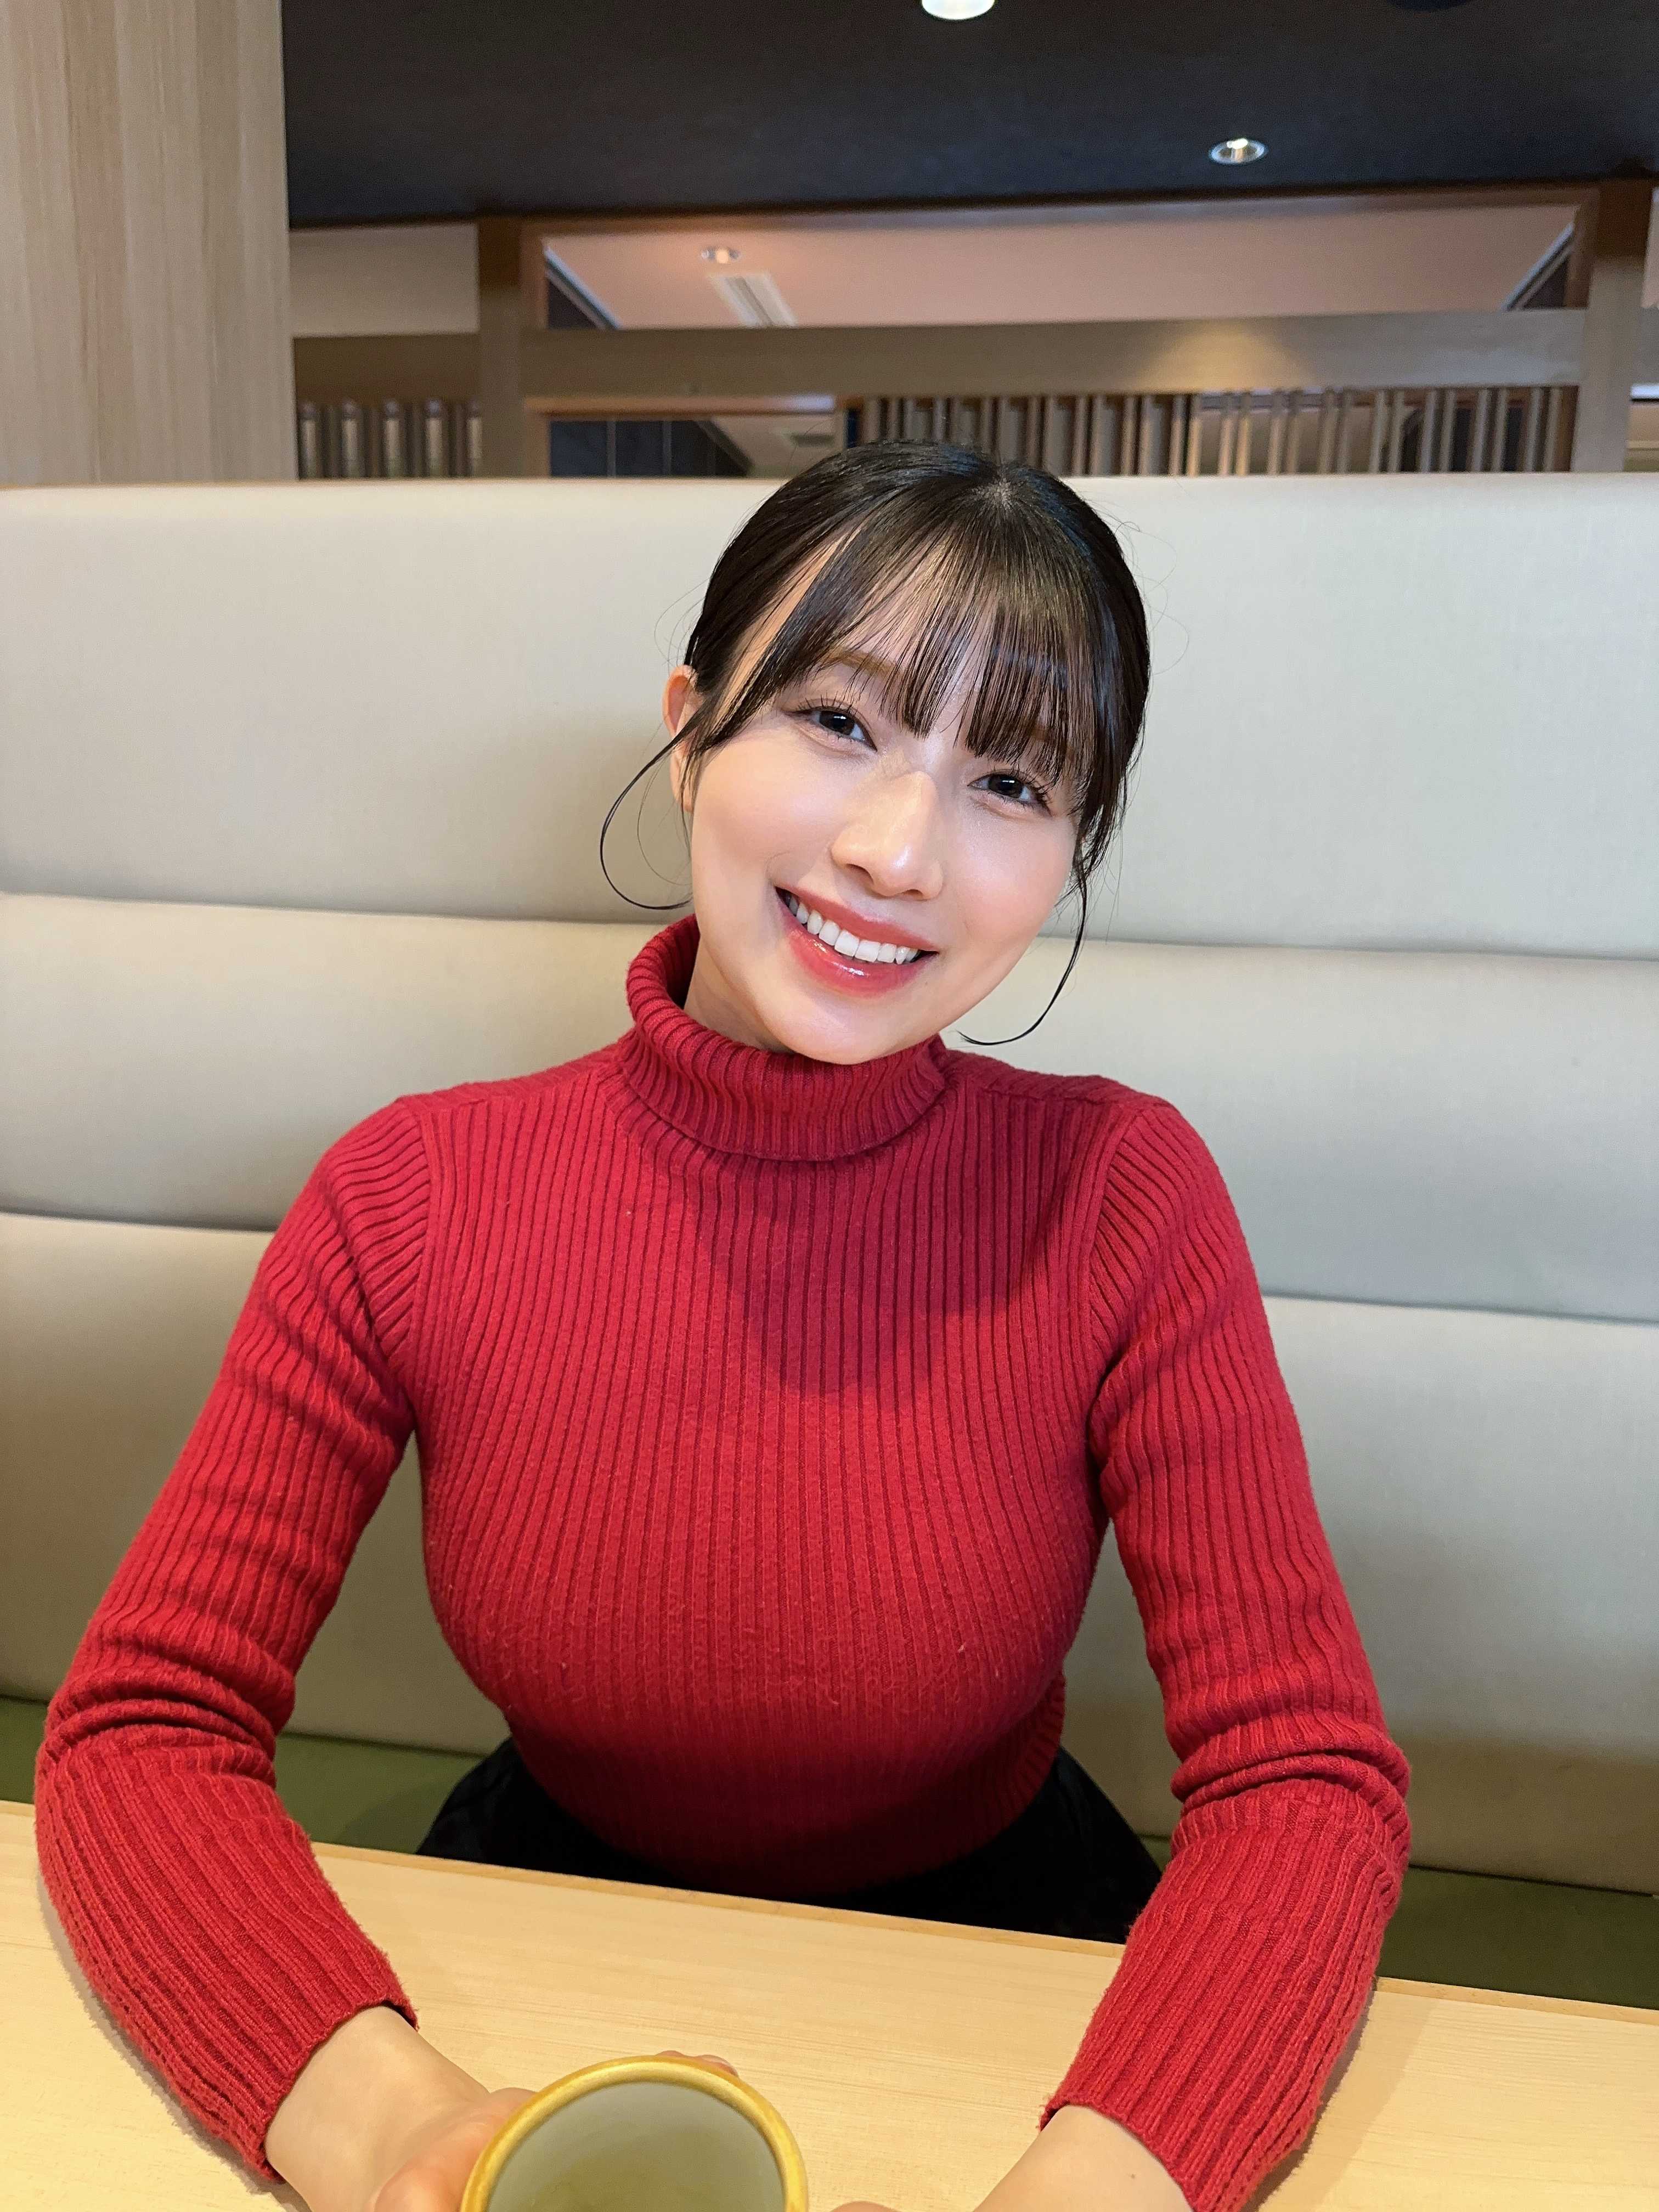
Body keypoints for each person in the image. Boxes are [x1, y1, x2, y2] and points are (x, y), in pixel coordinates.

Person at [35, 442, 1409, 2212]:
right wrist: (397, 2135)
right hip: (534, 1938)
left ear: (1070, 855)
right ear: (691, 729)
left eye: (1010, 780)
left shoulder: (1121, 1195)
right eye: (839, 722)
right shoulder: (408, 1194)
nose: (898, 851)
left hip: (1016, 1988)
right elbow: (143, 1728)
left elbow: (1302, 1779)